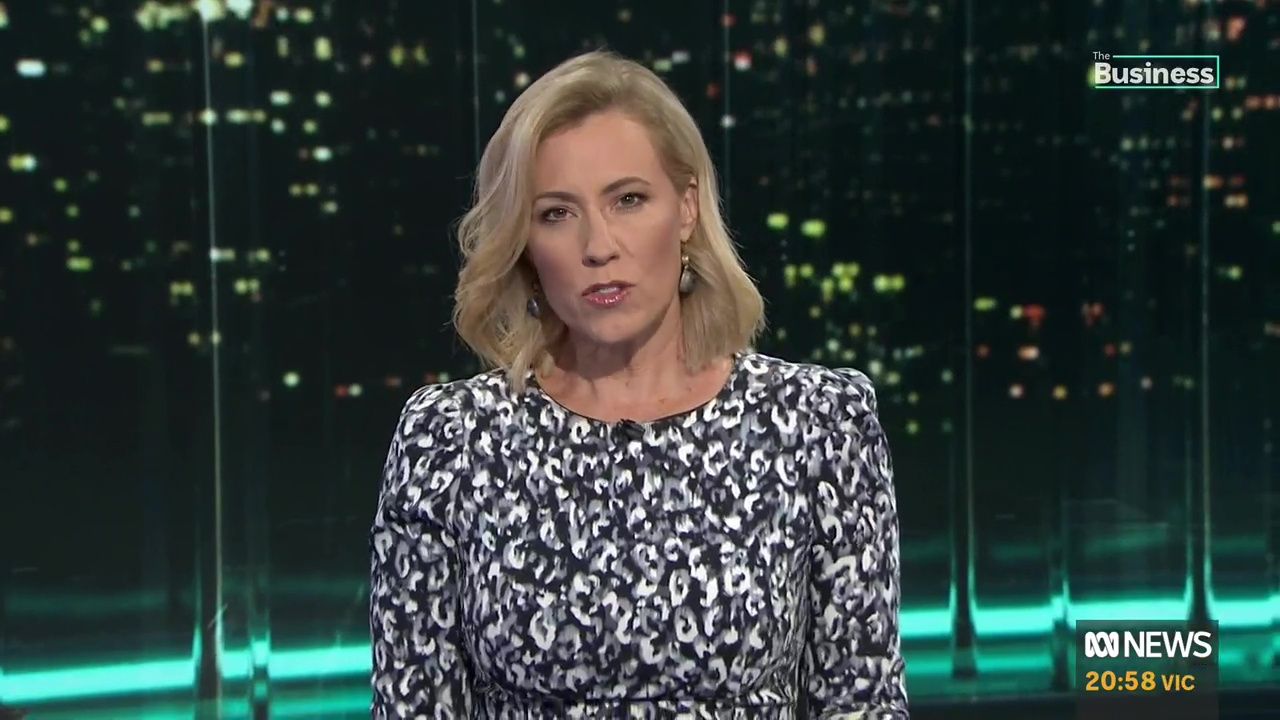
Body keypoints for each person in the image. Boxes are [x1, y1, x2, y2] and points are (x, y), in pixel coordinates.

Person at [368, 49, 908, 719]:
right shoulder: (450, 441)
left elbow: (862, 701)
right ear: (524, 243)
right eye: (556, 213)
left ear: (686, 209)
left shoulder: (817, 424)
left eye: (628, 200)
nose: (598, 246)